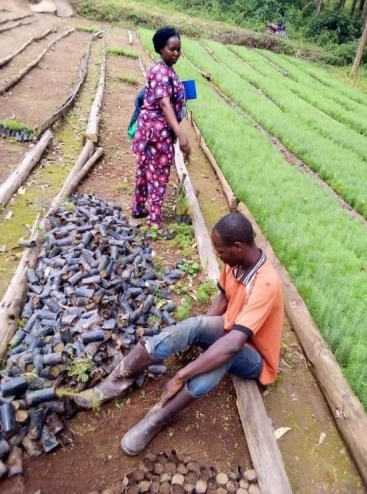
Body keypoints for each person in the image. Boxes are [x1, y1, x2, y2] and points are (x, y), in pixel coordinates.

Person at [75, 213, 284, 456]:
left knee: (220, 360)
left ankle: (160, 416)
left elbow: (233, 344)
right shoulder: (235, 264)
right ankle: (115, 382)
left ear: (238, 247)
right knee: (193, 325)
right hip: (231, 330)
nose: (219, 256)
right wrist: (199, 332)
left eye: (221, 251)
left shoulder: (266, 283)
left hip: (254, 356)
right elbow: (224, 297)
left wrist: (180, 376)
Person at [131, 26, 191, 231]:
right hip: (158, 132)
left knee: (144, 168)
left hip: (149, 129)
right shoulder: (161, 73)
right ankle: (154, 222)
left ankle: (138, 207)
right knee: (159, 173)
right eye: (171, 49)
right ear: (160, 49)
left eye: (178, 49)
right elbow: (165, 104)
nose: (176, 53)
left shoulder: (165, 70)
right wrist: (181, 135)